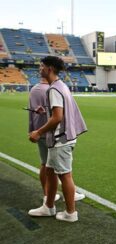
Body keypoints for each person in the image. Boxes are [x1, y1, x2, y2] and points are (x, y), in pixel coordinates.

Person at [28, 56, 87, 222]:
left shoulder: (53, 89)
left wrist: (38, 132)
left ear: (50, 69)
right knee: (50, 171)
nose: (40, 69)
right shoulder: (61, 86)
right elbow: (58, 112)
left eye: (42, 66)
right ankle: (48, 207)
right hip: (63, 138)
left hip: (59, 140)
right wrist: (45, 111)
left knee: (65, 175)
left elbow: (57, 118)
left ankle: (70, 213)